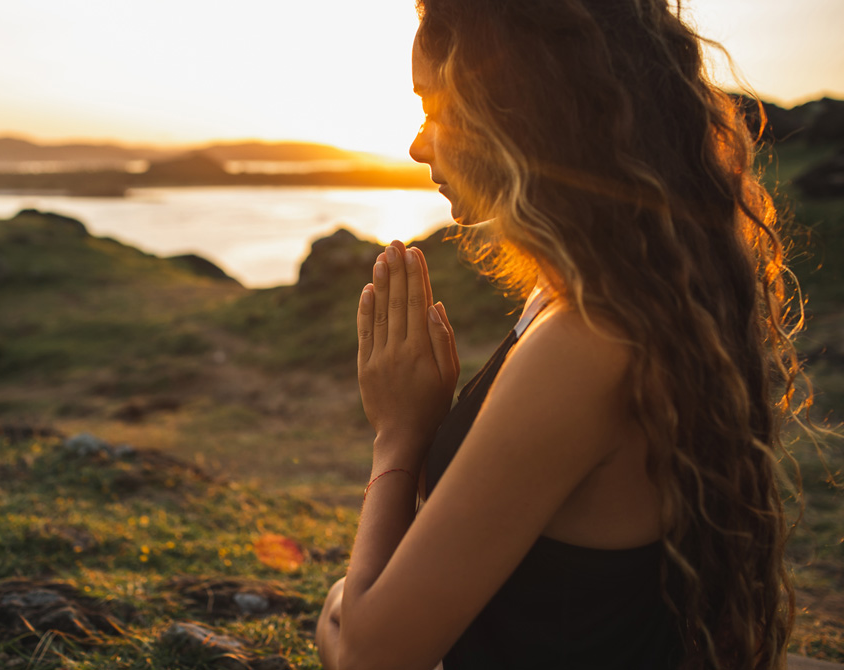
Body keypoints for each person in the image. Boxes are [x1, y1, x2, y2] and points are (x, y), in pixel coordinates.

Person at [315, 1, 804, 668]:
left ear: (521, 110)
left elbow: (368, 657)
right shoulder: (597, 298)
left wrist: (398, 435)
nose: (417, 145)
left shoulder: (586, 343)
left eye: (436, 108)